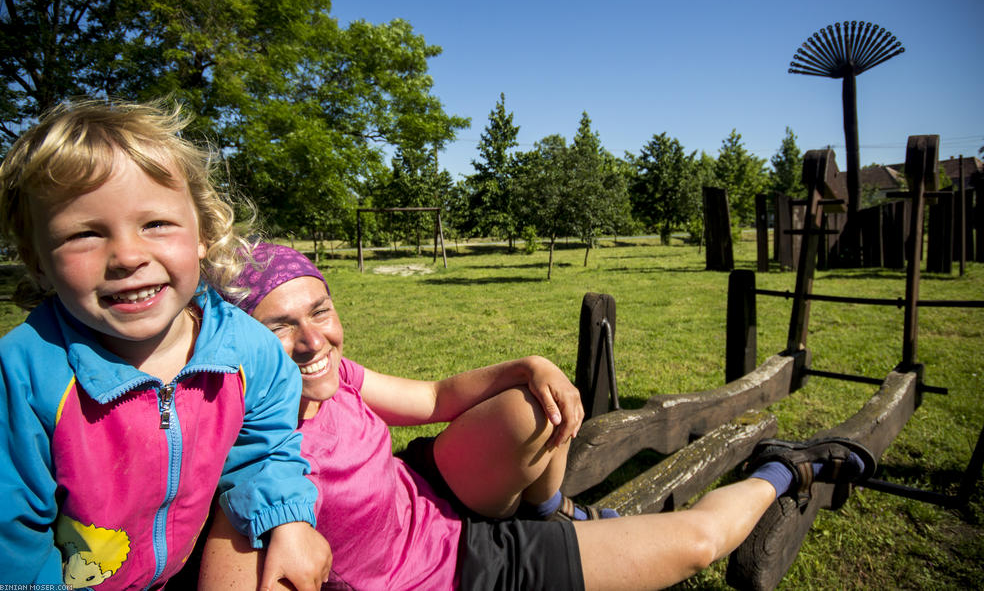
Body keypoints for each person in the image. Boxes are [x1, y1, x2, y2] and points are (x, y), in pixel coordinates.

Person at [198, 243, 876, 590]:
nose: (313, 340)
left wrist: (528, 362)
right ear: (239, 340)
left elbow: (434, 399)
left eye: (319, 310)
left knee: (536, 406)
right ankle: (788, 466)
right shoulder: (245, 447)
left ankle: (552, 504)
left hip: (430, 493)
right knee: (695, 544)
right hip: (460, 567)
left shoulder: (339, 376)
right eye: (278, 325)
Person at [0, 101, 331, 590]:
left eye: (155, 224)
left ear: (203, 235)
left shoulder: (250, 351)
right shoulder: (16, 380)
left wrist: (289, 517)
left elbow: (265, 450)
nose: (127, 256)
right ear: (37, 260)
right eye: (84, 234)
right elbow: (4, 541)